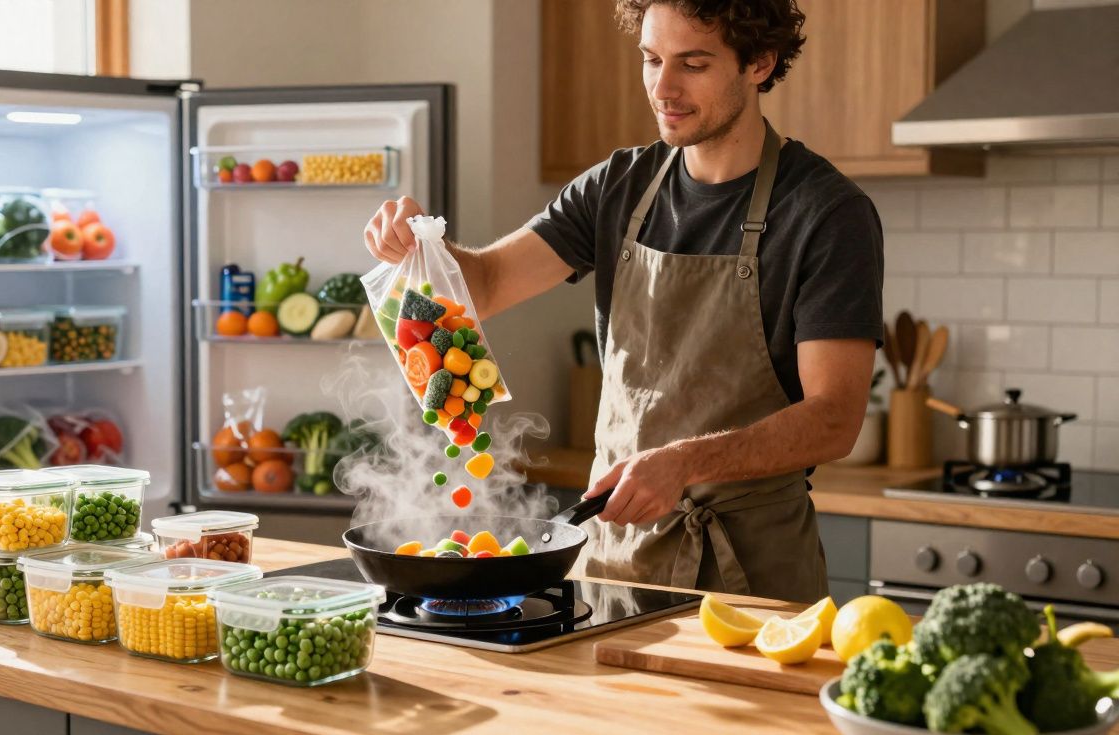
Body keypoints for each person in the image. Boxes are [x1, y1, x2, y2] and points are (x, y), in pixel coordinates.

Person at [362, 0, 882, 603]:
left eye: (693, 64)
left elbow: (833, 420)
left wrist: (683, 462)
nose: (664, 87)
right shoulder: (617, 187)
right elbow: (486, 284)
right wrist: (421, 247)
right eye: (651, 59)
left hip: (751, 576)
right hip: (615, 561)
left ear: (759, 64)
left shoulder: (826, 213)